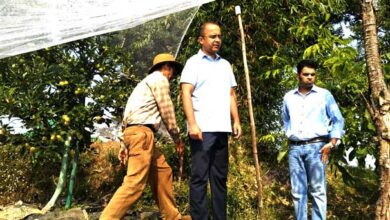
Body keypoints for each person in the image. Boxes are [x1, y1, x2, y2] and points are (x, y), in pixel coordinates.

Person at [100, 53, 191, 220]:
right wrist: (177, 138)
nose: (172, 76)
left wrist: (123, 144)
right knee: (135, 183)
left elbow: (128, 116)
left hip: (136, 134)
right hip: (142, 135)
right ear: (167, 68)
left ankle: (173, 217)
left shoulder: (143, 85)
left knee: (163, 171)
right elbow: (167, 110)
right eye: (172, 71)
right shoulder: (160, 79)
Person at [180, 21, 242, 220]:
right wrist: (193, 124)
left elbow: (231, 94)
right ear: (201, 39)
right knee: (199, 177)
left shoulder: (225, 65)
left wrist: (236, 120)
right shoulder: (193, 63)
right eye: (212, 36)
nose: (217, 40)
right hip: (202, 129)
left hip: (222, 129)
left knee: (220, 178)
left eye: (219, 36)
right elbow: (186, 93)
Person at [281, 59, 345, 220]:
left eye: (313, 74)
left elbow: (338, 119)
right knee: (297, 192)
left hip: (317, 148)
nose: (310, 77)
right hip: (295, 149)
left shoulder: (324, 95)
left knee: (318, 190)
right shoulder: (288, 97)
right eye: (306, 74)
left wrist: (332, 143)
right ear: (298, 76)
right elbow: (285, 119)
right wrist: (291, 133)